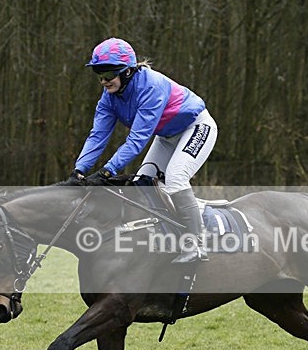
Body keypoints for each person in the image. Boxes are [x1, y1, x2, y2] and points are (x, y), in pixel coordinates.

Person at [64, 37, 217, 264]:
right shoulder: (108, 98)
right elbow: (97, 135)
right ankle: (161, 241)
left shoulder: (151, 86)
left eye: (108, 75)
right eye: (99, 76)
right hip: (166, 136)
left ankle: (196, 244)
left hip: (196, 127)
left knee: (175, 179)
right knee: (141, 184)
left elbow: (137, 140)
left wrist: (107, 171)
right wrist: (79, 169)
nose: (103, 82)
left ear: (126, 72)